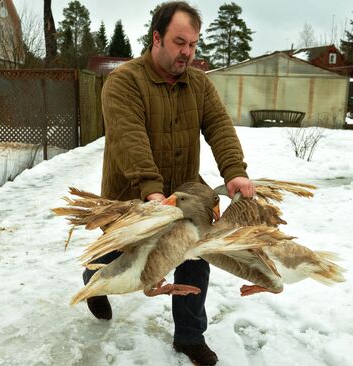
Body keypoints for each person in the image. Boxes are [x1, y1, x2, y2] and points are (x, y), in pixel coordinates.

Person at [83, 2, 255, 365]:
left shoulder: (199, 83)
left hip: (186, 191)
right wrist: (151, 190)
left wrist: (234, 170)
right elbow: (129, 138)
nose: (187, 53)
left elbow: (219, 127)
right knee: (119, 253)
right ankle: (94, 279)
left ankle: (190, 337)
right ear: (156, 38)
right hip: (131, 192)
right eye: (180, 43)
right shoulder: (124, 82)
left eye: (193, 45)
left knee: (194, 254)